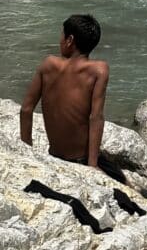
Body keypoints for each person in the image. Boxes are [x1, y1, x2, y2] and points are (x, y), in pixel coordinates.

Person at [20, 15, 110, 168]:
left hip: (53, 155)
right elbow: (96, 117)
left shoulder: (48, 65)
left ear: (70, 40)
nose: (59, 40)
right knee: (123, 181)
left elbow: (26, 109)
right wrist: (92, 166)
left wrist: (27, 151)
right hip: (81, 160)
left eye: (62, 35)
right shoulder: (98, 70)